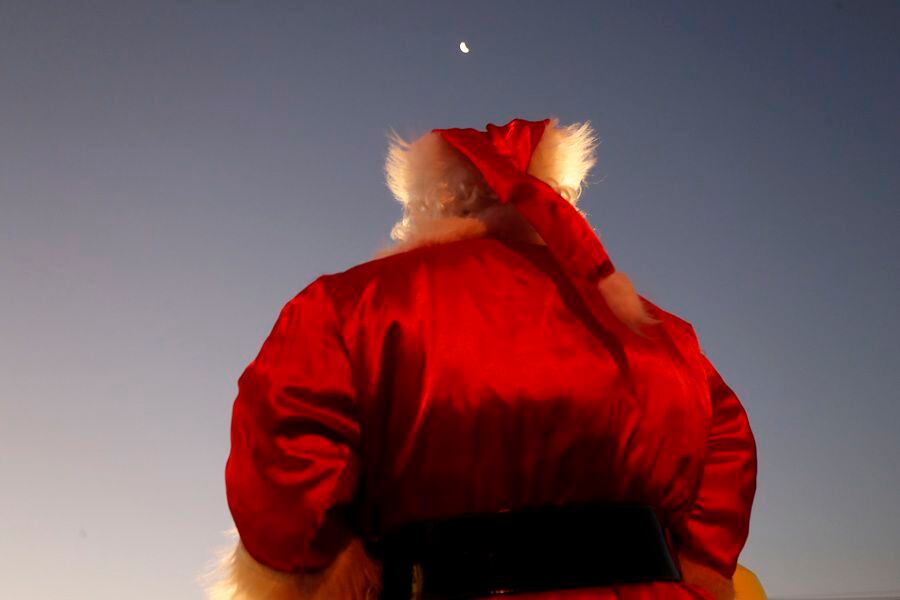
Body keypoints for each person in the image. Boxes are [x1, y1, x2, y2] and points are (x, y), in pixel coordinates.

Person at [205, 118, 764, 600]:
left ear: (434, 199)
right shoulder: (663, 334)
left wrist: (323, 568)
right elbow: (728, 453)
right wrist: (694, 572)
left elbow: (284, 454)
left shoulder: (349, 307)